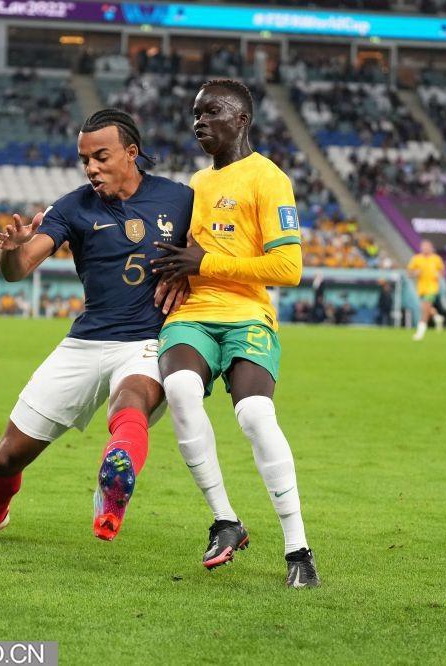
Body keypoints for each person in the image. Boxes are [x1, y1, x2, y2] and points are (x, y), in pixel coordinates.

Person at [0, 109, 192, 543]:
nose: (91, 168)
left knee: (132, 401)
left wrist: (191, 267)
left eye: (101, 157)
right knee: (8, 457)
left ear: (131, 153)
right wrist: (12, 251)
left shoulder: (179, 199)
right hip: (84, 344)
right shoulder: (72, 207)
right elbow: (20, 268)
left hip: (146, 340)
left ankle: (114, 484)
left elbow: (210, 245)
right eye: (85, 159)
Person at [150, 79, 319, 588]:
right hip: (192, 314)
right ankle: (225, 520)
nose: (199, 121)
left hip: (247, 316)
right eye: (195, 113)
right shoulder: (196, 184)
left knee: (256, 416)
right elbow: (185, 253)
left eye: (211, 112)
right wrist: (176, 272)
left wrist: (206, 263)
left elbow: (288, 267)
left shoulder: (269, 179)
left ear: (241, 120)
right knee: (180, 389)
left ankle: (298, 549)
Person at [407, 240, 445, 341]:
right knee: (426, 308)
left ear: (431, 248)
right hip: (421, 288)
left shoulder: (436, 259)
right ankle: (437, 317)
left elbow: (442, 271)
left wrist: (439, 275)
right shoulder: (416, 258)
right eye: (424, 247)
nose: (425, 248)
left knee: (424, 309)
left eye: (427, 246)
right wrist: (415, 273)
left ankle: (420, 332)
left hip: (432, 287)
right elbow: (409, 272)